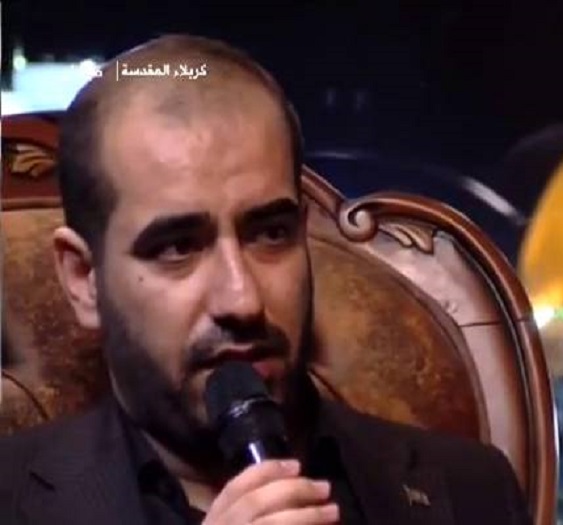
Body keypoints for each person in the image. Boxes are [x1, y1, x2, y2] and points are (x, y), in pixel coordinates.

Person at [0, 35, 531, 525]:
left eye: (271, 234)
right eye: (178, 247)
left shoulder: (470, 489)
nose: (242, 298)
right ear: (83, 278)